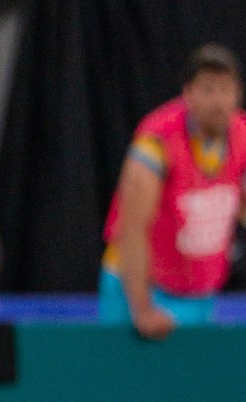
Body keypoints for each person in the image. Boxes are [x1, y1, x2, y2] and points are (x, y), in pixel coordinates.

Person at [101, 43, 246, 340]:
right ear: (188, 93)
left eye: (226, 89)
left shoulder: (242, 134)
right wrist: (142, 308)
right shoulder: (155, 144)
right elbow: (132, 228)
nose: (218, 101)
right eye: (208, 90)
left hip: (199, 292)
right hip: (140, 289)